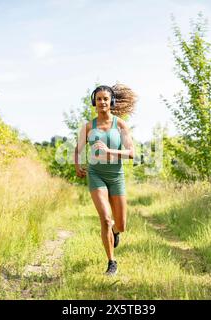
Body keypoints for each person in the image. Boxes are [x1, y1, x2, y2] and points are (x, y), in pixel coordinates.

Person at [74, 84, 136, 276]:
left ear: (111, 102)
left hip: (116, 176)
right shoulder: (88, 127)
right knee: (106, 219)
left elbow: (131, 153)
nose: (102, 102)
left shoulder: (120, 125)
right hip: (96, 174)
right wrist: (78, 166)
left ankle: (116, 233)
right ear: (94, 102)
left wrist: (109, 152)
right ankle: (111, 262)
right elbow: (77, 150)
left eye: (105, 99)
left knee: (121, 225)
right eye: (99, 99)